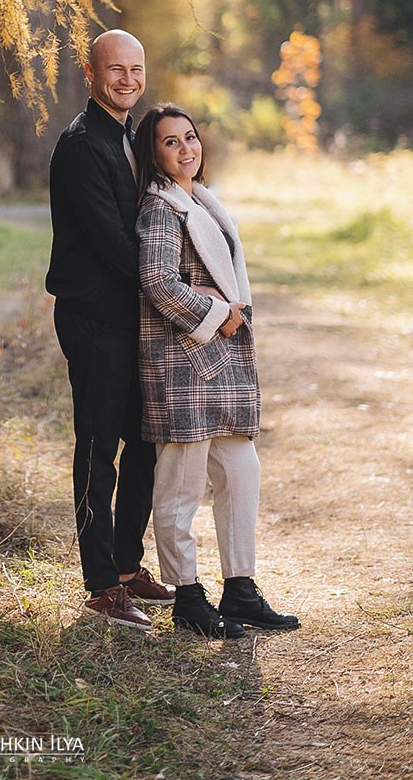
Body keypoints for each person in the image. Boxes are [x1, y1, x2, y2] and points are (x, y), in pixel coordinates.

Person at [133, 103, 300, 638]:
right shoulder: (159, 208)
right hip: (181, 363)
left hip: (219, 361)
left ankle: (241, 589)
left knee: (241, 472)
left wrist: (226, 310)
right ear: (153, 154)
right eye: (170, 142)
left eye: (190, 138)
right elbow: (158, 282)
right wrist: (216, 312)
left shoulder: (202, 200)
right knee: (180, 485)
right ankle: (186, 596)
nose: (186, 149)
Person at [46, 29, 173, 630]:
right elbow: (114, 244)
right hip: (94, 317)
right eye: (115, 70)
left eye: (136, 69)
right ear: (92, 74)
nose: (127, 79)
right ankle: (100, 585)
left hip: (133, 317)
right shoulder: (79, 146)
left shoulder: (130, 135)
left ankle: (126, 566)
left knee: (145, 441)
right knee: (100, 448)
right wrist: (175, 288)